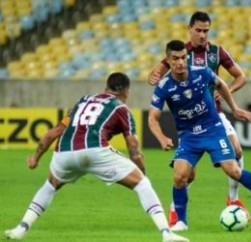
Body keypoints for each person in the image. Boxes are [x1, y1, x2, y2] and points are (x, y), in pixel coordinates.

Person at [4, 72, 189, 242]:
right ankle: (166, 233)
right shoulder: (121, 109)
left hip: (64, 153)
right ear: (126, 91)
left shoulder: (83, 101)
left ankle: (21, 228)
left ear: (106, 88)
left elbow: (53, 133)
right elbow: (133, 147)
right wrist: (142, 173)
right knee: (143, 184)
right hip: (95, 151)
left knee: (50, 185)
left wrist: (36, 157)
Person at [148, 40, 251, 232]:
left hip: (212, 128)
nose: (180, 62)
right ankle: (181, 221)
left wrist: (234, 108)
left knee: (232, 169)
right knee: (180, 176)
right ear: (168, 61)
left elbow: (221, 84)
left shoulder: (201, 72)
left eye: (183, 57)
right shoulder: (164, 86)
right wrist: (161, 137)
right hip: (188, 136)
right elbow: (152, 118)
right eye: (175, 59)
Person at [148, 11, 249, 226]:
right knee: (188, 175)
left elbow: (240, 76)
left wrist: (224, 91)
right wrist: (154, 76)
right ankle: (176, 208)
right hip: (189, 120)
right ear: (189, 29)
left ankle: (233, 199)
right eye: (198, 30)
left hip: (214, 114)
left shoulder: (217, 52)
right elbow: (155, 74)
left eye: (206, 30)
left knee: (237, 151)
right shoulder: (179, 53)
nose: (203, 35)